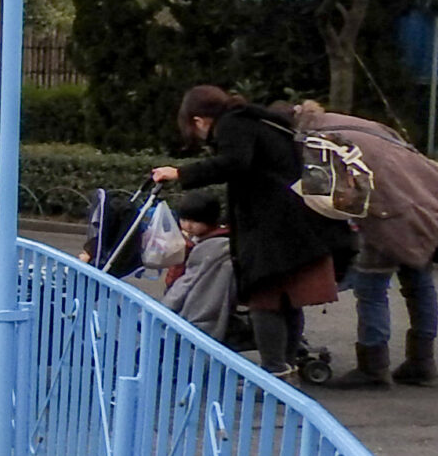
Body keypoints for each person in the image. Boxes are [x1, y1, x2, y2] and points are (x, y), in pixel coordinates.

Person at [151, 86, 352, 381]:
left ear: (199, 120)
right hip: (296, 222)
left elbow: (234, 163)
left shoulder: (233, 124)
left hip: (271, 226)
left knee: (264, 299)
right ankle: (287, 368)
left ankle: (274, 374)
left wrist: (181, 174)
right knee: (287, 300)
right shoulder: (258, 120)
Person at [290, 102, 438, 387]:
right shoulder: (356, 123)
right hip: (423, 205)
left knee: (371, 287)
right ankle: (422, 360)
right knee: (418, 281)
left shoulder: (317, 140)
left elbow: (328, 196)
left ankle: (373, 366)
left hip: (384, 211)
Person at [160, 189, 238, 336]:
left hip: (192, 290)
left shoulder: (212, 245)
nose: (188, 226)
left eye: (195, 222)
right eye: (184, 220)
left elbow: (189, 279)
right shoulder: (193, 238)